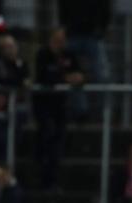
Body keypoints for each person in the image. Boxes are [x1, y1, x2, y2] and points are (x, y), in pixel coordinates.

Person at [34, 27, 84, 190]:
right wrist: (64, 77)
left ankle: (52, 181)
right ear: (51, 40)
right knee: (46, 139)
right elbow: (43, 76)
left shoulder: (68, 55)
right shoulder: (43, 54)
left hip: (61, 107)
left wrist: (78, 77)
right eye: (57, 40)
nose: (60, 44)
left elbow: (79, 73)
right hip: (44, 106)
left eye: (63, 41)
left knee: (58, 145)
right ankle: (41, 179)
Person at [58, 0, 112, 120]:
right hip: (72, 35)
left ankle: (103, 112)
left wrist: (102, 28)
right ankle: (80, 111)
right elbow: (63, 8)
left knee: (101, 75)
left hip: (93, 36)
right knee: (72, 74)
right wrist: (64, 28)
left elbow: (105, 8)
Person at [0, 34, 30, 165]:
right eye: (7, 47)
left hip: (16, 110)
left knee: (15, 140)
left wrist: (20, 81)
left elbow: (25, 79)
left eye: (13, 46)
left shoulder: (22, 64)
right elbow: (3, 80)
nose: (11, 49)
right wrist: (19, 81)